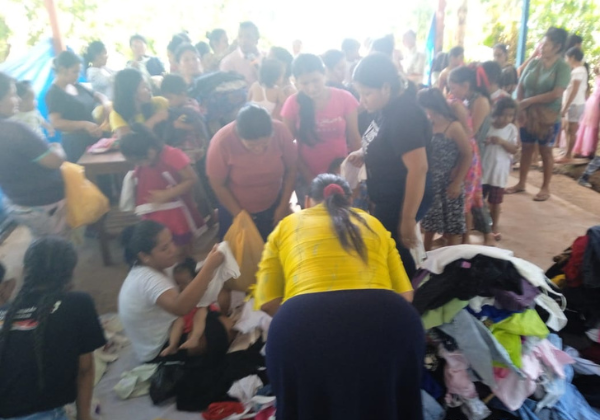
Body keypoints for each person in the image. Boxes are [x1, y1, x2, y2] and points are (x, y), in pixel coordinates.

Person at [255, 174, 423, 420]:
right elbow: (406, 295)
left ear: (307, 201)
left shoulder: (287, 225)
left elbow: (269, 302)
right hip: (392, 319)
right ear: (350, 199)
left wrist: (313, 326)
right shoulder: (372, 223)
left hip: (300, 324)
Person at [0, 237, 106, 420]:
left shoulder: (7, 313)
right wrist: (83, 416)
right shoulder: (79, 303)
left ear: (25, 271)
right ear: (71, 272)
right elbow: (85, 370)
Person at [351, 53, 432, 278]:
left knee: (395, 247)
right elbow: (385, 141)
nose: (362, 100)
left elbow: (419, 168)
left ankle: (407, 299)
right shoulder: (385, 107)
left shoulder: (404, 115)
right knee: (390, 244)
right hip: (389, 193)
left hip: (403, 196)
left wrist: (406, 218)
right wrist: (363, 152)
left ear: (386, 87)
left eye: (366, 93)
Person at [118, 220, 228, 362]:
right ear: (144, 256)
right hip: (161, 348)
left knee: (219, 300)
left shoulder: (160, 265)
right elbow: (180, 308)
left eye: (171, 241)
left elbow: (188, 278)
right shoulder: (147, 279)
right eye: (164, 248)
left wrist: (209, 265)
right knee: (228, 327)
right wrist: (208, 268)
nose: (173, 250)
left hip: (172, 326)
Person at [207, 105, 297, 241]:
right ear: (239, 135)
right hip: (235, 209)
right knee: (242, 253)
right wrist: (240, 215)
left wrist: (283, 205)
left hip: (274, 203)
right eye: (251, 146)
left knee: (276, 248)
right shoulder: (222, 142)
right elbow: (218, 185)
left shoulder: (281, 131)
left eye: (264, 144)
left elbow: (292, 170)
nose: (259, 150)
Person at [281, 54, 360, 204]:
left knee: (340, 219)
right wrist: (309, 176)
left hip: (340, 172)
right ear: (295, 82)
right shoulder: (292, 103)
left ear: (324, 74)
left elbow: (354, 138)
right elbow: (288, 147)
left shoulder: (345, 98)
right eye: (304, 83)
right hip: (306, 174)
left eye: (315, 80)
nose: (311, 88)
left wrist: (357, 175)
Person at [506, 27, 571, 202]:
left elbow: (556, 93)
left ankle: (545, 187)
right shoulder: (534, 63)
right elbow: (521, 86)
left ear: (557, 46)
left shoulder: (563, 67)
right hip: (528, 114)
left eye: (547, 44)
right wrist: (522, 107)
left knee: (545, 150)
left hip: (548, 116)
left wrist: (529, 102)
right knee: (527, 147)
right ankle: (521, 183)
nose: (542, 46)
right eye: (542, 42)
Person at [0, 73, 68, 238]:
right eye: (12, 94)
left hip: (16, 201)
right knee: (55, 248)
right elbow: (54, 161)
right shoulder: (14, 130)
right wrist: (58, 148)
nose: (17, 99)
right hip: (41, 204)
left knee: (41, 241)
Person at [119, 123, 205, 253]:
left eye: (143, 160)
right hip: (154, 210)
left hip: (177, 209)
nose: (142, 164)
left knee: (181, 245)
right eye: (137, 162)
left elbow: (192, 179)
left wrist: (167, 194)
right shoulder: (143, 159)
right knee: (158, 242)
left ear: (152, 147)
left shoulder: (171, 155)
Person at [417, 88, 472, 250]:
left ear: (431, 106)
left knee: (452, 223)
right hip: (431, 180)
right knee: (430, 222)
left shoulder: (453, 126)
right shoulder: (428, 125)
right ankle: (425, 255)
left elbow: (467, 154)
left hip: (449, 181)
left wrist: (457, 182)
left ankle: (452, 259)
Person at [45, 51, 110, 162]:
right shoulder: (54, 93)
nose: (78, 75)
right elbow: (56, 122)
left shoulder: (77, 85)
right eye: (75, 72)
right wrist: (84, 124)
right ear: (62, 70)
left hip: (95, 138)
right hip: (77, 145)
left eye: (79, 71)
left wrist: (106, 104)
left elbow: (98, 95)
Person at [160, 258, 213, 356]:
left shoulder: (200, 287)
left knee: (200, 313)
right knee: (178, 321)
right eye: (178, 284)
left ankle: (194, 338)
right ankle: (172, 345)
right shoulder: (178, 292)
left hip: (200, 310)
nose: (181, 287)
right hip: (186, 315)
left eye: (184, 283)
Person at [482, 97, 519, 239]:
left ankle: (494, 226)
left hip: (499, 172)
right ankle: (479, 223)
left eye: (510, 115)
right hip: (484, 170)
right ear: (496, 113)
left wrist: (502, 142)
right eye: (504, 115)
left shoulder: (511, 129)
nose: (506, 119)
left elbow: (514, 149)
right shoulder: (488, 126)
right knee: (479, 200)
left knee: (495, 202)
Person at [110, 68, 169, 138]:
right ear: (131, 93)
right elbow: (127, 141)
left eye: (147, 85)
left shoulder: (159, 103)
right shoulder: (117, 114)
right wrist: (154, 120)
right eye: (144, 87)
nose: (149, 90)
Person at [557, 47, 587, 163]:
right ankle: (567, 152)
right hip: (574, 104)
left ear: (573, 57)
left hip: (574, 104)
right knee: (568, 128)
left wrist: (565, 107)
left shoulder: (578, 71)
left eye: (567, 58)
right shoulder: (579, 70)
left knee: (571, 130)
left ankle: (568, 155)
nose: (566, 60)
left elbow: (574, 90)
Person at [573, 64, 600, 158]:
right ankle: (589, 150)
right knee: (593, 126)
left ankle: (585, 149)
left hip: (592, 101)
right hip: (596, 102)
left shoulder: (597, 76)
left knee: (589, 126)